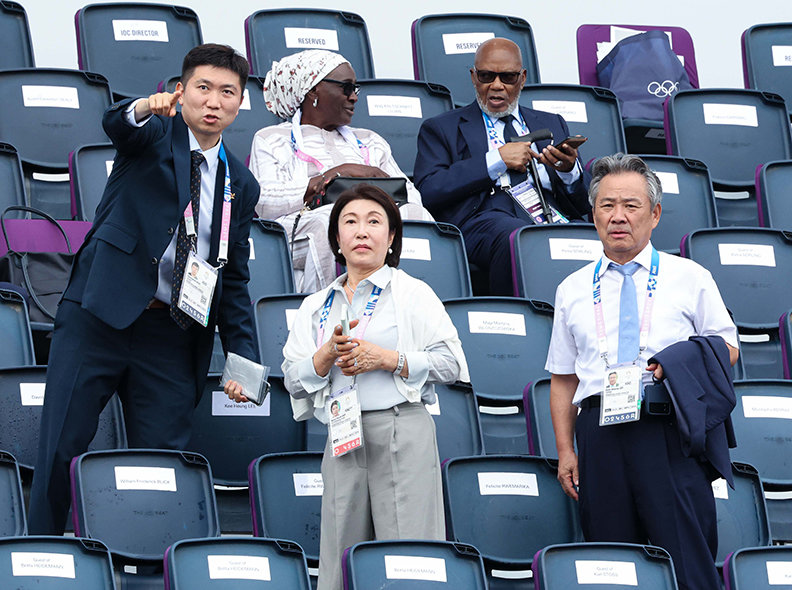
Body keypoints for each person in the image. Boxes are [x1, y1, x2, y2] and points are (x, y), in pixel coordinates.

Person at [28, 44, 259, 535]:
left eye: (227, 92)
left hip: (172, 334)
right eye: (202, 88)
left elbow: (233, 277)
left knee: (162, 468)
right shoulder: (154, 134)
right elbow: (119, 125)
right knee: (61, 448)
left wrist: (242, 358)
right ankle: (39, 551)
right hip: (100, 315)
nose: (213, 101)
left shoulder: (241, 183)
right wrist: (140, 107)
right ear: (180, 91)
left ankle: (148, 561)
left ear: (240, 104)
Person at [546, 154, 740, 590]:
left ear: (654, 214)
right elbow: (562, 378)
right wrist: (566, 451)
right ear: (593, 213)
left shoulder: (690, 276)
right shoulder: (572, 288)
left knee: (688, 561)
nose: (618, 217)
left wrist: (677, 361)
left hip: (668, 429)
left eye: (631, 206)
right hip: (599, 432)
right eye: (607, 205)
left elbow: (728, 347)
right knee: (611, 566)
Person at [273, 185, 467, 590]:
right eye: (350, 222)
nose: (362, 231)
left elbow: (452, 365)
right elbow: (292, 377)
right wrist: (324, 357)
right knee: (339, 560)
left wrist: (388, 359)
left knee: (408, 558)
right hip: (342, 435)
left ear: (392, 237)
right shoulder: (316, 305)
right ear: (336, 240)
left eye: (375, 222)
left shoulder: (413, 293)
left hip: (402, 428)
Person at [414, 37, 590, 295]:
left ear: (522, 78)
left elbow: (583, 203)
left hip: (549, 213)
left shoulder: (551, 123)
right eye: (487, 76)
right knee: (517, 236)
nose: (496, 86)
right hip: (483, 218)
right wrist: (496, 160)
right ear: (474, 77)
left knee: (598, 235)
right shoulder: (442, 127)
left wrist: (569, 172)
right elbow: (428, 190)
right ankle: (519, 317)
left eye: (507, 77)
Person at [250, 49, 432, 293]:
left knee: (415, 213)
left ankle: (409, 305)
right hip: (298, 230)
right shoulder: (271, 139)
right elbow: (263, 202)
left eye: (356, 89)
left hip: (369, 222)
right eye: (346, 88)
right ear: (313, 89)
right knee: (330, 220)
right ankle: (326, 314)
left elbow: (411, 194)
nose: (354, 97)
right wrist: (331, 177)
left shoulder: (369, 140)